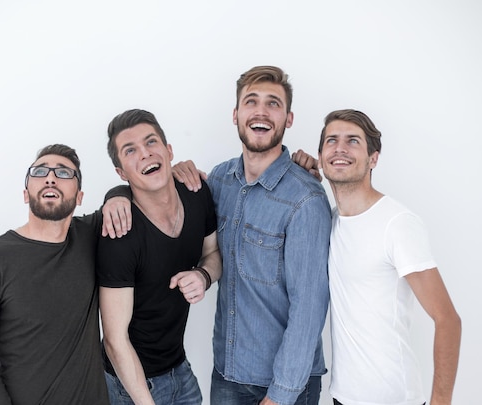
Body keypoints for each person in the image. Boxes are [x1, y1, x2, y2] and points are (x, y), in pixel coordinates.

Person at [103, 66, 332, 405]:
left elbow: (309, 312)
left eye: (273, 104)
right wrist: (117, 193)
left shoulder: (306, 199)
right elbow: (156, 191)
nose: (261, 111)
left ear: (289, 118)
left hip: (284, 384)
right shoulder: (219, 182)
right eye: (251, 101)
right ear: (236, 114)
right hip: (226, 375)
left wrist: (281, 395)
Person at [317, 109, 461, 405]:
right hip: (342, 396)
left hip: (394, 398)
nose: (340, 148)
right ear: (321, 156)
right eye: (332, 140)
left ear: (373, 158)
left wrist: (441, 402)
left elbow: (447, 320)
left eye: (353, 141)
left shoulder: (397, 223)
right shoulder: (331, 220)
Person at [0, 144, 109, 405]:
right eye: (40, 172)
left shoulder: (90, 236)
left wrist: (118, 195)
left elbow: (133, 198)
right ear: (26, 193)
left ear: (79, 196)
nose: (51, 177)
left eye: (64, 173)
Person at [96, 109, 222, 404]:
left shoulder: (196, 192)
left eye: (151, 142)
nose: (145, 154)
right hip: (130, 385)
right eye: (130, 151)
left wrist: (203, 275)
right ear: (121, 173)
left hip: (180, 370)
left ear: (168, 151)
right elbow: (115, 341)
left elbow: (213, 253)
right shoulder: (119, 234)